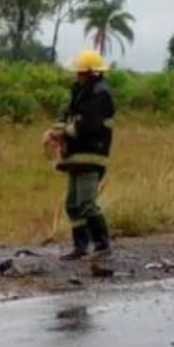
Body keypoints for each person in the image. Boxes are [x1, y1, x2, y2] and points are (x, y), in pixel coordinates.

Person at [44, 50, 116, 260]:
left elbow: (88, 123)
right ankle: (80, 248)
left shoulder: (101, 94)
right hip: (76, 156)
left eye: (81, 72)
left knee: (86, 203)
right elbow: (66, 115)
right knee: (73, 205)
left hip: (91, 155)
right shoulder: (80, 92)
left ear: (92, 73)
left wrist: (62, 133)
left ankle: (103, 246)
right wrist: (54, 132)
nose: (77, 76)